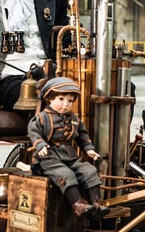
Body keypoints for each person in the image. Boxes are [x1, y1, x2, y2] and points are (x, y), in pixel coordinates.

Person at [27, 77, 109, 219]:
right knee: (66, 174)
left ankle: (96, 203)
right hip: (49, 158)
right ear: (50, 99)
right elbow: (34, 132)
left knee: (89, 170)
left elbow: (82, 136)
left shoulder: (74, 119)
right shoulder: (42, 118)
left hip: (69, 156)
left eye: (70, 101)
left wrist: (88, 149)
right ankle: (78, 205)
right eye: (61, 99)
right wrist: (40, 145)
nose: (65, 104)